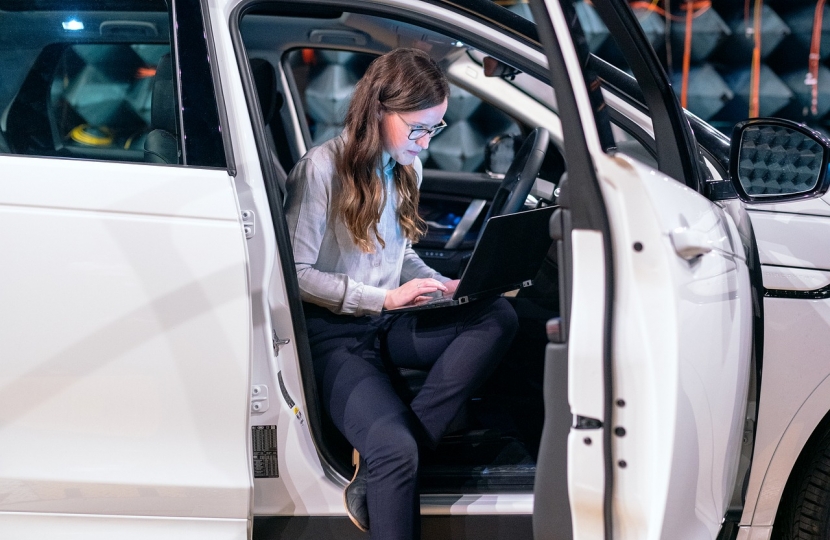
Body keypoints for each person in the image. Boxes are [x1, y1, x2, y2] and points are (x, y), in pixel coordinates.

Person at [284, 48, 519, 540]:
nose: (427, 141)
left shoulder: (404, 166)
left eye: (436, 129)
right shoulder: (320, 170)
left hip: (388, 323)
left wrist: (437, 284)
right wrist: (383, 300)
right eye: (418, 129)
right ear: (378, 113)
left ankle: (385, 461)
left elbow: (399, 255)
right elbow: (297, 275)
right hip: (336, 336)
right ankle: (391, 456)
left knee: (496, 315)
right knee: (395, 449)